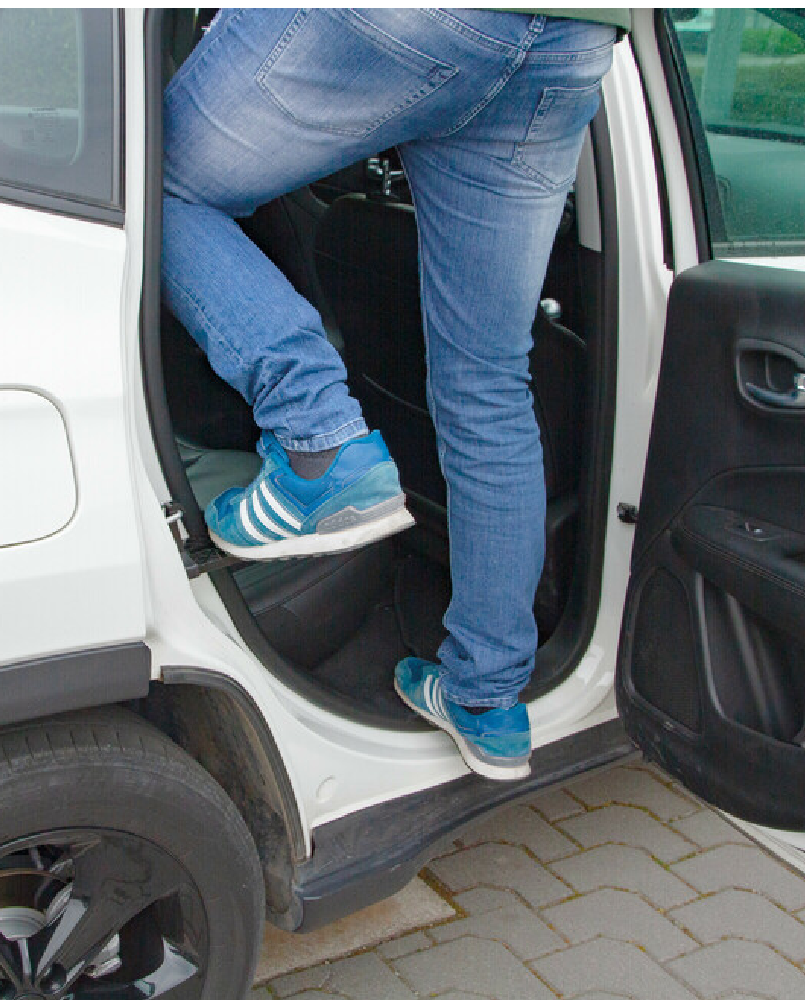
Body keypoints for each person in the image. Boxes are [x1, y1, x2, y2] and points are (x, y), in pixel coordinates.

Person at [162, 9, 624, 780]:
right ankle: (487, 697)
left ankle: (319, 442)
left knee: (153, 183)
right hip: (572, 38)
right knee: (489, 376)